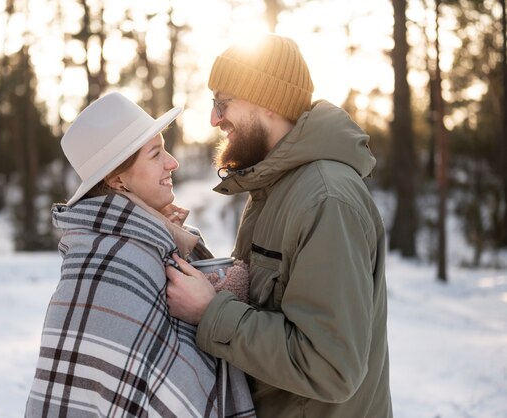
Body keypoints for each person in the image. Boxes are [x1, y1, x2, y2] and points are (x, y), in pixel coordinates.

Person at [165, 33, 393, 418]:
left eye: (222, 103)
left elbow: (330, 367)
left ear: (266, 100)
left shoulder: (325, 200)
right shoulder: (275, 189)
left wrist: (210, 313)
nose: (214, 119)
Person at [25, 92, 255, 417]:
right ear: (117, 179)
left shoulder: (145, 241)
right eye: (155, 154)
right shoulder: (119, 260)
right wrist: (225, 297)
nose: (172, 162)